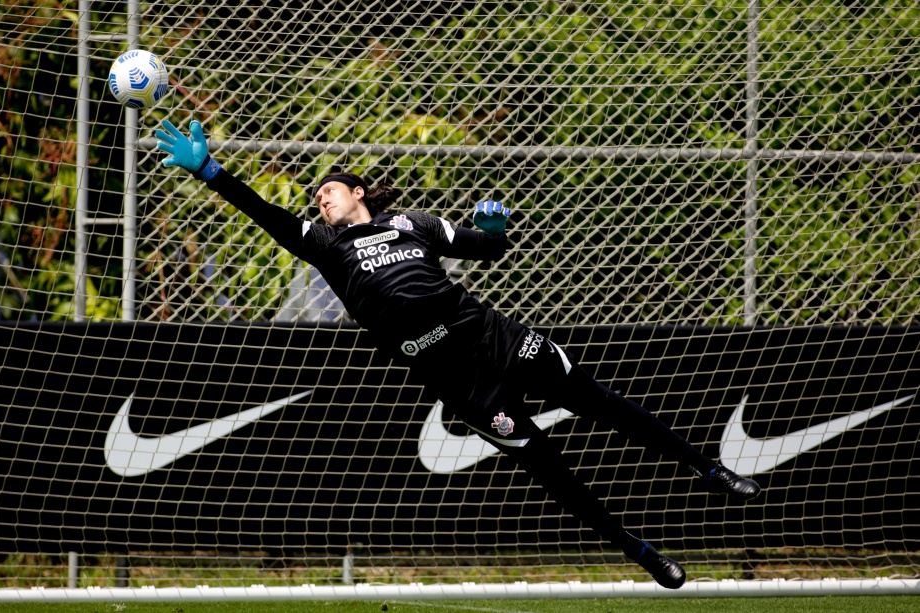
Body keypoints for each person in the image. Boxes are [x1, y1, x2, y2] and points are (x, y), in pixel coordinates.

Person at [156, 119, 761, 589]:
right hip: (462, 384)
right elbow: (267, 216)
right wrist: (209, 170)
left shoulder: (414, 224)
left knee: (600, 403)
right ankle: (639, 551)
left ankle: (706, 468)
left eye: (330, 191)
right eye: (316, 197)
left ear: (359, 192)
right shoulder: (329, 247)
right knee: (553, 473)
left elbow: (488, 248)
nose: (321, 201)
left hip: (495, 337)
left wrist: (494, 228)